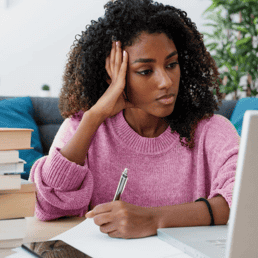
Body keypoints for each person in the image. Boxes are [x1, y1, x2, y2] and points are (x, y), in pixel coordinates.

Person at [29, 0, 239, 239]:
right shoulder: (84, 128)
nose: (166, 82)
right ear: (113, 76)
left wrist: (154, 219)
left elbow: (247, 198)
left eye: (171, 64)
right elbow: (48, 207)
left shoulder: (211, 131)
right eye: (146, 71)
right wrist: (94, 116)